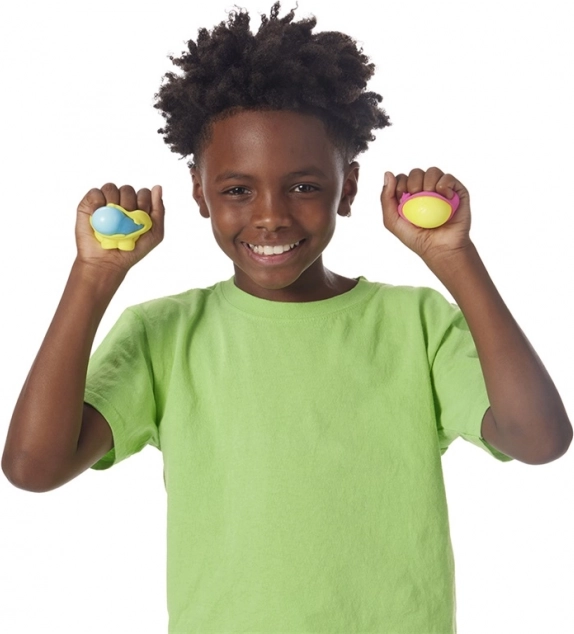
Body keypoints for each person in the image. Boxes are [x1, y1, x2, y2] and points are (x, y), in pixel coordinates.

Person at [2, 3, 571, 632]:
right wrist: (93, 277)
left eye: (303, 186)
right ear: (198, 193)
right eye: (237, 190)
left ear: (348, 188)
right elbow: (33, 467)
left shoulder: (417, 323)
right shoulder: (163, 334)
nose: (270, 216)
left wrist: (455, 259)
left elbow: (539, 440)